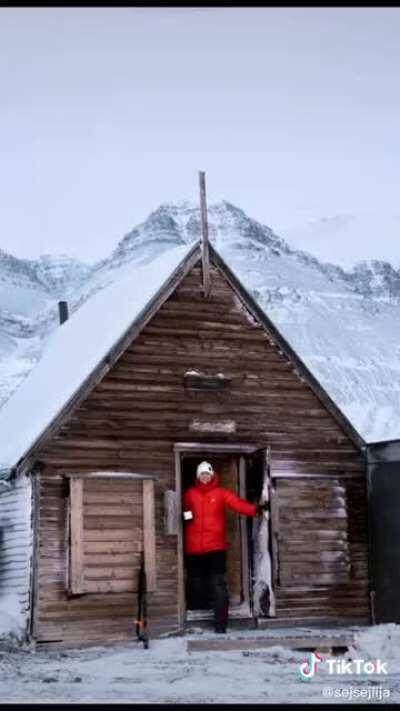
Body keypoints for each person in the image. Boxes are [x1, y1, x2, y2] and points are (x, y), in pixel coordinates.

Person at [182, 460, 269, 634]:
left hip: (215, 548)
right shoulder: (190, 494)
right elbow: (184, 511)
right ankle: (196, 615)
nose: (205, 477)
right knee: (195, 584)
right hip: (194, 549)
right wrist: (186, 518)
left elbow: (237, 504)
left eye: (207, 474)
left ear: (212, 475)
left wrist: (256, 510)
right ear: (198, 477)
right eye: (202, 475)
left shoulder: (220, 493)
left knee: (218, 585)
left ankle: (220, 624)